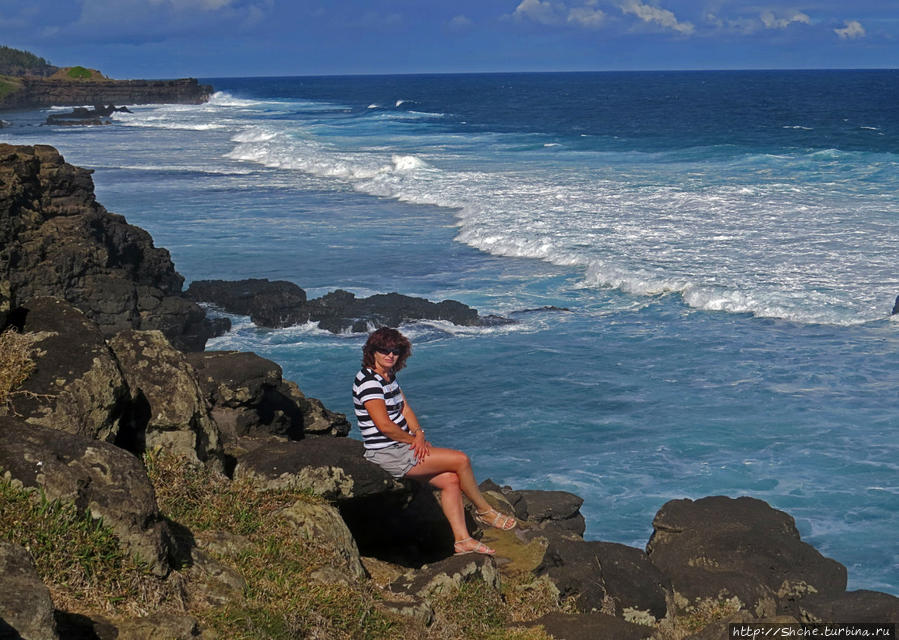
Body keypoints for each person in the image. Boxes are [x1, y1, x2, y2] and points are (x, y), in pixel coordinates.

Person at [352, 327, 516, 556]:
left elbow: (404, 408)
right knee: (461, 460)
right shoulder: (369, 382)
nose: (390, 355)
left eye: (395, 351)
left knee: (450, 480)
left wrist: (418, 433)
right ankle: (484, 511)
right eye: (384, 350)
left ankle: (462, 540)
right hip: (386, 452)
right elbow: (385, 426)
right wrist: (413, 441)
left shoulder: (387, 377)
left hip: (401, 446)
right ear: (372, 351)